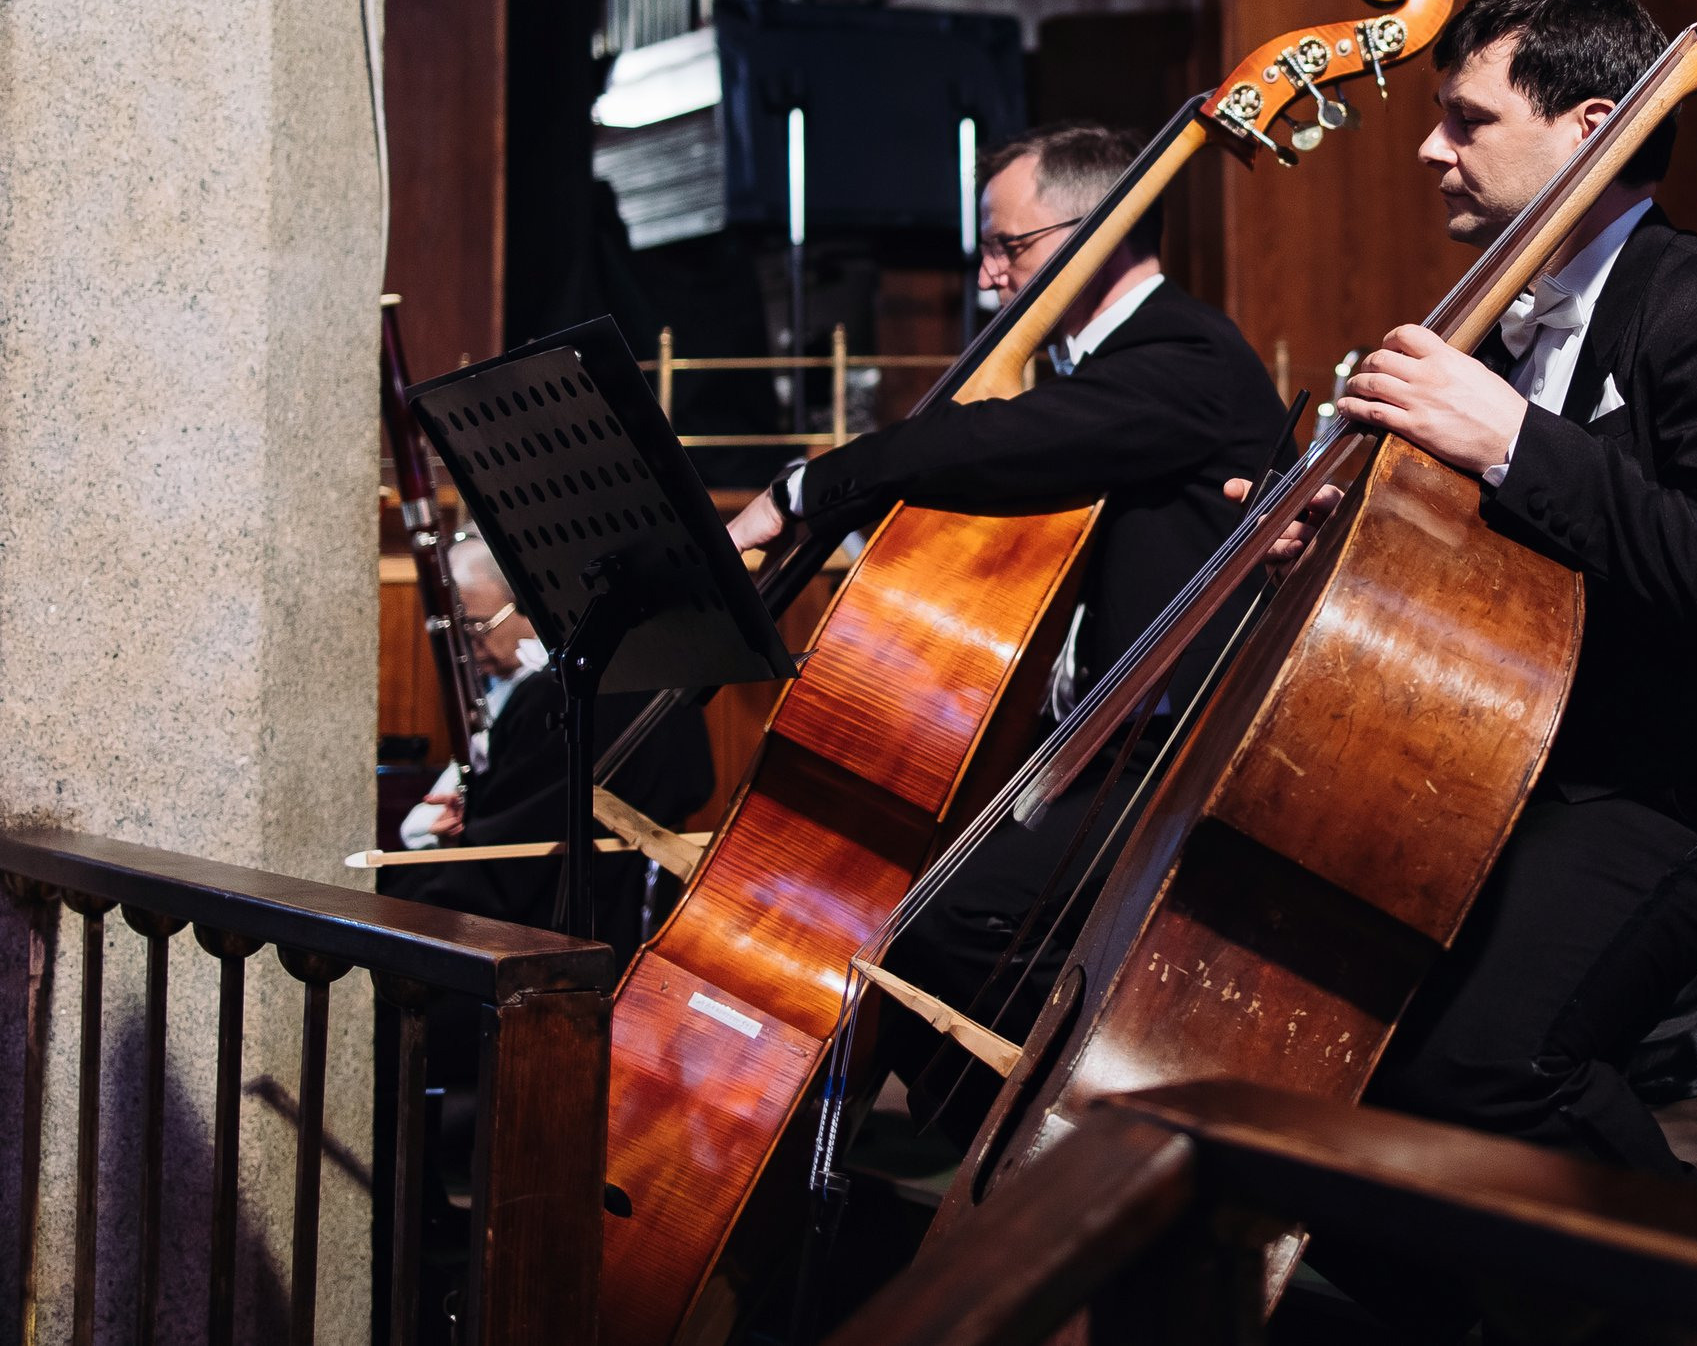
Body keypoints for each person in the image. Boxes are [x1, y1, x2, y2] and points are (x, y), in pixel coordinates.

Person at [1241, 0, 1697, 1187]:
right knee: (1308, 1019)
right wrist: (1343, 548)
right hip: (1510, 758)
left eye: (1466, 118)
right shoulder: (1500, 328)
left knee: (1478, 1063)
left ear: (1592, 123)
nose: (1428, 146)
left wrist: (1510, 440)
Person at [722, 120, 1288, 1129]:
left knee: (956, 913)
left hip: (1174, 757)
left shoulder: (1186, 355)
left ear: (1100, 228)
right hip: (1082, 748)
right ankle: (980, 1182)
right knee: (897, 914)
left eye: (1008, 247)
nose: (986, 278)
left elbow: (996, 440)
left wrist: (804, 489)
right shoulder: (1092, 373)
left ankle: (1114, 1153)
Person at [386, 531, 713, 956]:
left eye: (476, 625)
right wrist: (478, 806)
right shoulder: (650, 671)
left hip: (560, 932)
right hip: (616, 911)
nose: (470, 644)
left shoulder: (555, 696)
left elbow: (505, 866)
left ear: (530, 603)